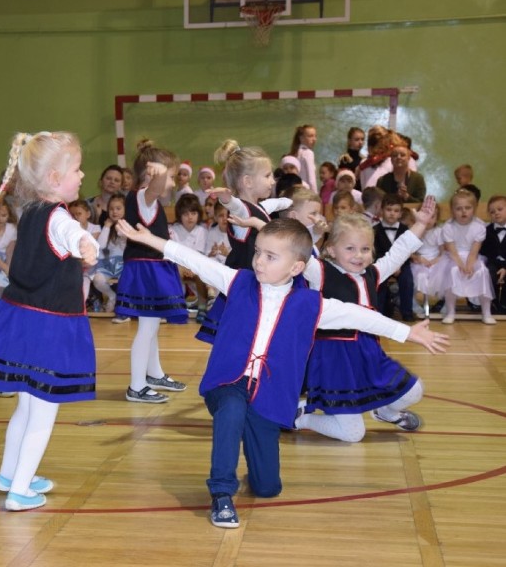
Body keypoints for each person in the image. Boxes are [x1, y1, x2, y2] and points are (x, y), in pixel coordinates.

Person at [116, 216, 448, 529]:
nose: (259, 261)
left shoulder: (311, 304)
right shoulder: (238, 281)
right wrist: (152, 240)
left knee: (267, 487)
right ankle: (221, 493)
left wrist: (409, 333)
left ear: (296, 267)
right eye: (258, 252)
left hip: (270, 394)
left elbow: (360, 316)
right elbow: (197, 262)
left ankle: (255, 464)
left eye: (270, 256)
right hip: (228, 381)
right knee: (231, 409)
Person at [0, 131, 99, 512]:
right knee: (44, 410)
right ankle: (20, 491)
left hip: (24, 321)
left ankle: (10, 474)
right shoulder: (58, 217)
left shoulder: (30, 214)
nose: (82, 175)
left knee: (26, 407)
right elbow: (72, 234)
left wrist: (80, 244)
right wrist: (86, 245)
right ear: (56, 179)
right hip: (49, 329)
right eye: (77, 169)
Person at [296, 197, 438, 443]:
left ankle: (385, 411)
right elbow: (298, 253)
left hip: (369, 353)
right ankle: (299, 418)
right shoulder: (320, 272)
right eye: (349, 248)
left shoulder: (373, 274)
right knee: (353, 435)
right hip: (335, 361)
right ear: (330, 249)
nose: (358, 255)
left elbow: (400, 250)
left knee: (414, 390)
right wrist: (312, 231)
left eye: (365, 249)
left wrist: (421, 224)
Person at [196, 140, 292, 345]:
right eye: (267, 176)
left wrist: (290, 201)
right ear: (247, 181)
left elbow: (272, 205)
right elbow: (235, 205)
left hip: (259, 279)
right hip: (246, 282)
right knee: (240, 338)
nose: (272, 181)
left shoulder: (258, 207)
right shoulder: (241, 208)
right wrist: (225, 199)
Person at [114, 140, 188, 403]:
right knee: (146, 329)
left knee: (152, 325)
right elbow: (155, 187)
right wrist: (158, 174)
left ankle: (153, 373)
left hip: (154, 269)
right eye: (170, 176)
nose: (173, 183)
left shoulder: (150, 203)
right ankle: (136, 386)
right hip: (145, 272)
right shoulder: (142, 197)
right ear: (152, 175)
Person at [441, 189, 496, 324]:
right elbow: (452, 251)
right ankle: (450, 311)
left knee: (482, 271)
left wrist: (470, 265)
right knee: (452, 271)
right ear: (453, 210)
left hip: (472, 256)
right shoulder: (448, 227)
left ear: (474, 208)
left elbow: (474, 252)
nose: (464, 211)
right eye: (459, 208)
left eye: (467, 208)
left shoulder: (480, 226)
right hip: (454, 257)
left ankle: (486, 312)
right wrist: (461, 265)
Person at [374, 193, 416, 321]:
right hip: (382, 264)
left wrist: (398, 265)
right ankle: (378, 313)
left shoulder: (405, 230)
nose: (392, 213)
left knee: (407, 281)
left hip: (401, 265)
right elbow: (376, 252)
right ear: (382, 211)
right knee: (379, 282)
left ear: (400, 213)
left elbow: (408, 250)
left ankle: (407, 312)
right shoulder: (375, 230)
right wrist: (389, 266)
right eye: (388, 210)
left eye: (396, 211)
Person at [170, 193, 209, 322]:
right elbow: (172, 254)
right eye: (185, 214)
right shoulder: (173, 230)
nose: (190, 217)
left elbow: (199, 255)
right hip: (178, 266)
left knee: (202, 274)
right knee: (174, 272)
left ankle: (202, 307)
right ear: (179, 215)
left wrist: (191, 268)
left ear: (198, 214)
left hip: (195, 266)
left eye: (193, 213)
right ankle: (177, 306)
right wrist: (182, 267)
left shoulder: (202, 231)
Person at [92, 194, 127, 315]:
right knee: (97, 279)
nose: (114, 212)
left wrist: (120, 228)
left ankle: (124, 303)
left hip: (125, 265)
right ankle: (112, 296)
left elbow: (126, 246)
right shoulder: (107, 226)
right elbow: (100, 247)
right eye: (111, 209)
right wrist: (107, 226)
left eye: (118, 208)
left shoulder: (128, 226)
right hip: (109, 265)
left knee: (126, 279)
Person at [410, 204, 447, 314]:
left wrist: (436, 260)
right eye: (426, 215)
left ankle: (446, 302)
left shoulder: (439, 231)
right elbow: (411, 251)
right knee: (417, 275)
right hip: (419, 261)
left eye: (433, 217)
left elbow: (442, 251)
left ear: (437, 218)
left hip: (436, 260)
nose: (429, 220)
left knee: (443, 275)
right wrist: (417, 258)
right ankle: (412, 302)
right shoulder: (415, 231)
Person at [481, 195, 506, 314]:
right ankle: (492, 302)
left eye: (500, 209)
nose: (496, 213)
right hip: (493, 262)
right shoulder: (487, 230)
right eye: (492, 212)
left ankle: (504, 303)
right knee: (489, 274)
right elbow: (484, 251)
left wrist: (505, 267)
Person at [289, 124, 318, 192]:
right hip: (307, 192)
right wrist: (316, 198)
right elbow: (311, 181)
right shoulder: (308, 153)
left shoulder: (295, 153)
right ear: (301, 138)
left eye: (315, 136)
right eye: (310, 136)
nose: (314, 139)